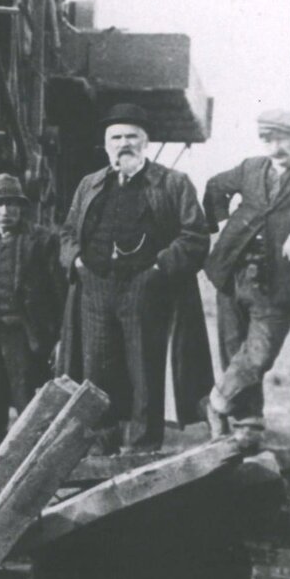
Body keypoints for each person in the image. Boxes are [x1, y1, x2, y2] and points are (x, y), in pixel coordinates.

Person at [57, 103, 212, 452]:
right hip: (94, 288)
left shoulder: (173, 183)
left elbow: (195, 236)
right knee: (95, 371)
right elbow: (67, 232)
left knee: (144, 370)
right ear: (106, 143)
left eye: (131, 137)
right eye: (116, 137)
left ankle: (143, 449)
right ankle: (101, 448)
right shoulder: (89, 184)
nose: (123, 143)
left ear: (145, 141)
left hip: (145, 289)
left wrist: (159, 268)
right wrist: (77, 261)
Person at [200, 108, 290, 436]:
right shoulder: (251, 168)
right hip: (231, 273)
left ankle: (216, 401)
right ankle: (247, 422)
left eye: (282, 139)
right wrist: (218, 224)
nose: (274, 148)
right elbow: (215, 186)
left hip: (276, 283)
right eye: (267, 140)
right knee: (233, 348)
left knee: (258, 354)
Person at [0, 172, 66, 452]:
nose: (4, 211)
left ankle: (31, 468)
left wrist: (59, 338)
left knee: (29, 406)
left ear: (21, 207)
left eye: (11, 204)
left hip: (25, 338)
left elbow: (59, 293)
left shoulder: (42, 240)